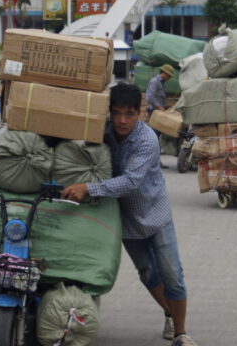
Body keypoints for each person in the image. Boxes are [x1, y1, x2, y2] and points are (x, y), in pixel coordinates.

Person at [61, 83, 200, 346]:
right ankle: (170, 313)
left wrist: (87, 188)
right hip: (123, 218)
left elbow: (130, 181)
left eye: (130, 114)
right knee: (148, 272)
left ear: (140, 113)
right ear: (109, 112)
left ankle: (181, 333)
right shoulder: (104, 133)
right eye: (116, 113)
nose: (122, 121)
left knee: (172, 273)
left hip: (155, 214)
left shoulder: (147, 140)